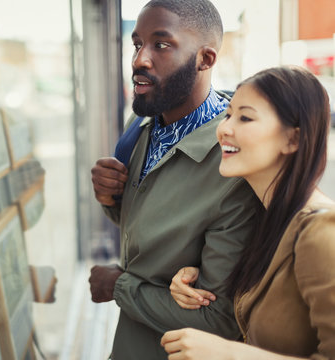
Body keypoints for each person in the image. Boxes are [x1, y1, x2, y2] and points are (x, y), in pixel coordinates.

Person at [89, 0, 259, 358]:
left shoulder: (236, 160)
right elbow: (145, 226)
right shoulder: (140, 126)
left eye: (161, 44)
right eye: (137, 44)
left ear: (205, 59)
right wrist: (111, 198)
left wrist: (118, 286)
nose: (139, 60)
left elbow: (220, 319)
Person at [162, 66, 335, 359]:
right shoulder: (271, 216)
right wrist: (197, 279)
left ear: (293, 139)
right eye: (228, 114)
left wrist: (228, 354)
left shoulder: (321, 232)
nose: (225, 128)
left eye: (245, 117)